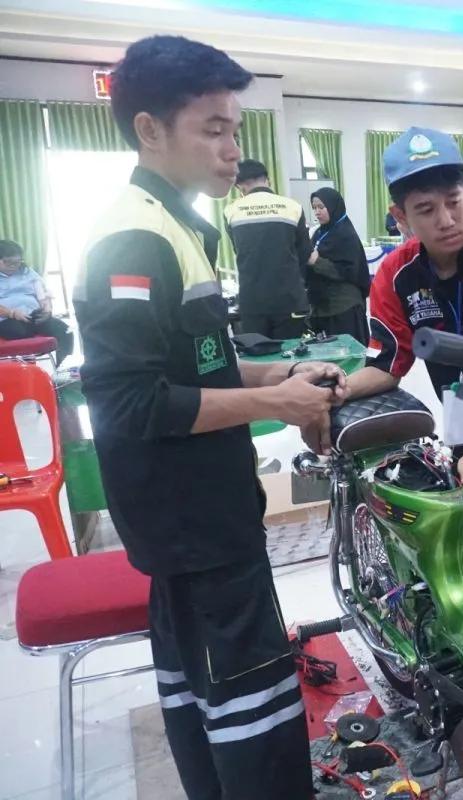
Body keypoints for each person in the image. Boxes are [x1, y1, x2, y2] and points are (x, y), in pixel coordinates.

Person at [74, 35, 347, 799]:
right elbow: (130, 402)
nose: (232, 149)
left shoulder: (174, 225)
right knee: (253, 711)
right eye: (213, 129)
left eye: (235, 129)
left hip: (194, 517)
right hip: (192, 521)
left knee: (204, 694)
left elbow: (196, 369)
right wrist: (276, 402)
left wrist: (278, 374)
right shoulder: (135, 239)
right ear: (150, 129)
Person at [305, 127, 463, 611]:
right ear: (400, 217)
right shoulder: (396, 274)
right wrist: (331, 392)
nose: (446, 220)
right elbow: (387, 366)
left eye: (454, 202)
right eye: (425, 209)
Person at [225, 159, 312, 340]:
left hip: (252, 301)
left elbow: (239, 250)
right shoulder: (293, 207)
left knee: (257, 353)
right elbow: (305, 253)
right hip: (289, 299)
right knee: (291, 353)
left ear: (239, 186)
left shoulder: (232, 211)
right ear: (268, 180)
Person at [308, 187, 370, 344]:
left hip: (344, 308)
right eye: (314, 208)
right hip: (323, 307)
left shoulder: (345, 235)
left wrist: (317, 262)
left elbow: (347, 271)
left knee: (348, 353)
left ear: (333, 206)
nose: (317, 212)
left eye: (321, 207)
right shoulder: (318, 233)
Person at [0, 240, 74, 362]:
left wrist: (47, 310)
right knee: (19, 332)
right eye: (8, 262)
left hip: (33, 316)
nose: (13, 266)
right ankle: (27, 367)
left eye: (17, 262)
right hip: (7, 319)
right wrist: (12, 313)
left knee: (65, 330)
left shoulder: (27, 272)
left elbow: (42, 293)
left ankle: (62, 365)